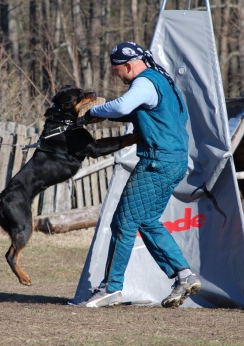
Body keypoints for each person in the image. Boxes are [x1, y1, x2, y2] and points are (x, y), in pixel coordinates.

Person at [79, 42, 201, 308]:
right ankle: (183, 275)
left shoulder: (144, 83)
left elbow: (123, 106)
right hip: (174, 161)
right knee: (145, 220)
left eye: (117, 71)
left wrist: (93, 111)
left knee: (123, 222)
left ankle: (111, 289)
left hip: (157, 162)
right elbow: (141, 113)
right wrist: (102, 115)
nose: (117, 77)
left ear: (129, 65)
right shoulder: (161, 81)